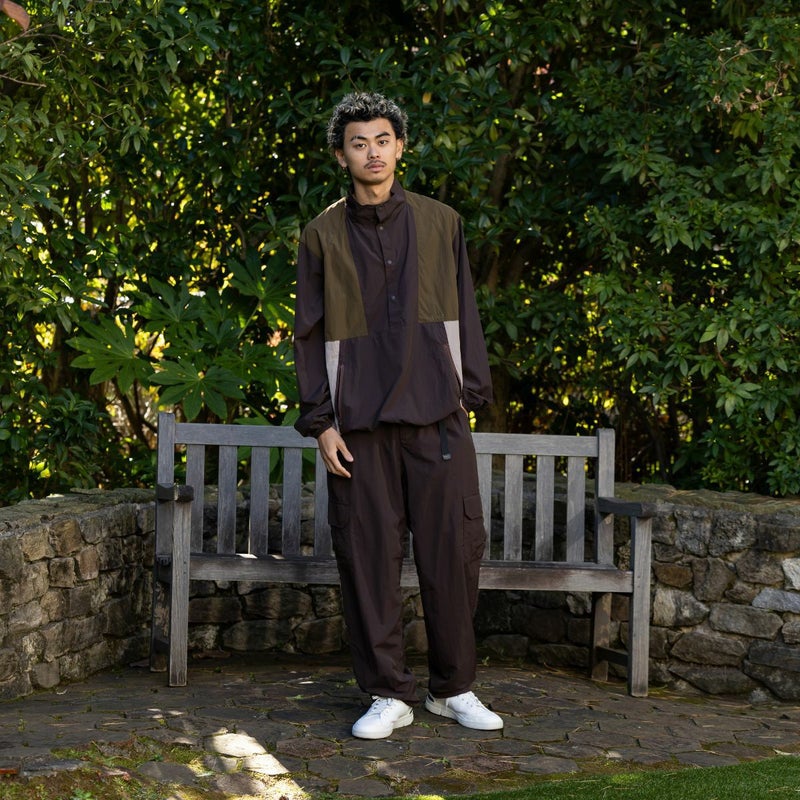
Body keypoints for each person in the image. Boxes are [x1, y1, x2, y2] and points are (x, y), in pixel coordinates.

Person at [293, 91, 502, 739]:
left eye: (383, 140)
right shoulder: (322, 236)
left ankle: (454, 688)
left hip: (439, 420)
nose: (373, 152)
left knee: (453, 555)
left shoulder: (442, 223)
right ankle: (387, 693)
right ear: (341, 156)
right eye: (359, 143)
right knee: (367, 560)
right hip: (357, 431)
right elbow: (308, 334)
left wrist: (468, 395)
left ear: (400, 146)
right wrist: (321, 422)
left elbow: (464, 311)